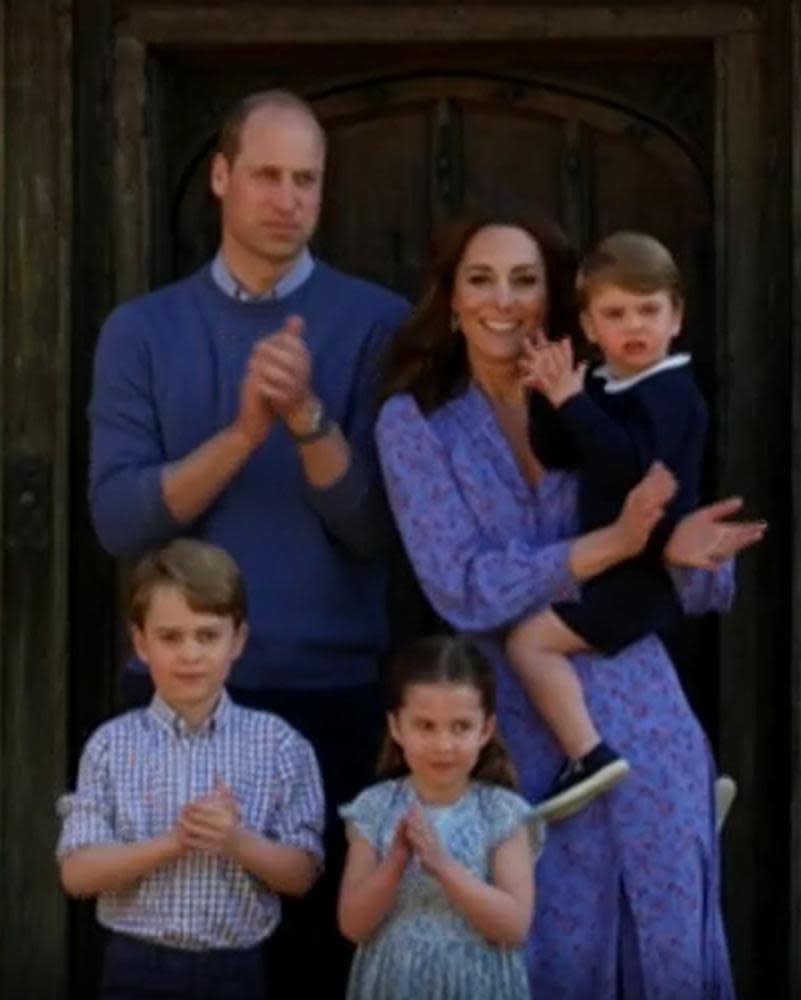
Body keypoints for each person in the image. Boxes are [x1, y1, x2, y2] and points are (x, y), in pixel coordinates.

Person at [374, 214, 765, 997]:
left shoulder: (613, 396)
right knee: (546, 951)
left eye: (525, 280)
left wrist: (684, 546)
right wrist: (614, 544)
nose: (503, 300)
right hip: (512, 733)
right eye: (480, 278)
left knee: (666, 948)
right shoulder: (414, 424)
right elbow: (461, 585)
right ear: (450, 298)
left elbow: (699, 581)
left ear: (553, 303)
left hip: (645, 714)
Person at [88, 90, 408, 995]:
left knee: (319, 963)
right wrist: (239, 434)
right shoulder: (141, 331)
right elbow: (120, 522)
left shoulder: (377, 324)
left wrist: (306, 418)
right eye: (266, 174)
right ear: (221, 178)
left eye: (306, 179)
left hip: (333, 691)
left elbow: (376, 530)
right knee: (179, 955)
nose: (287, 197)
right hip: (176, 698)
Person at [56, 539, 324, 1000]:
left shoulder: (279, 744)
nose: (190, 654)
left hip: (238, 967)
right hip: (136, 964)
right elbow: (77, 874)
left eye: (207, 635)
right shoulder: (110, 745)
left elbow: (303, 873)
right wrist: (174, 843)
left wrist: (235, 841)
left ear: (237, 639)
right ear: (140, 642)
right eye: (171, 636)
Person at [505, 231, 709, 821]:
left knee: (529, 642)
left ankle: (588, 755)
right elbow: (562, 452)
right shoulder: (605, 384)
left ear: (676, 317)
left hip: (641, 572)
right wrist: (541, 395)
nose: (634, 325)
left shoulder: (672, 392)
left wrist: (572, 400)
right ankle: (684, 786)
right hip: (612, 568)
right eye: (615, 313)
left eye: (649, 310)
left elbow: (630, 471)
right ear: (591, 327)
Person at [338, 634, 540, 1000]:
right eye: (425, 726)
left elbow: (514, 926)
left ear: (486, 730)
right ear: (397, 727)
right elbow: (352, 924)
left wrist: (443, 866)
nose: (443, 745)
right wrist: (396, 862)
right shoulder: (375, 809)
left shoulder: (502, 813)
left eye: (460, 727)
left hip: (477, 982)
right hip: (395, 981)